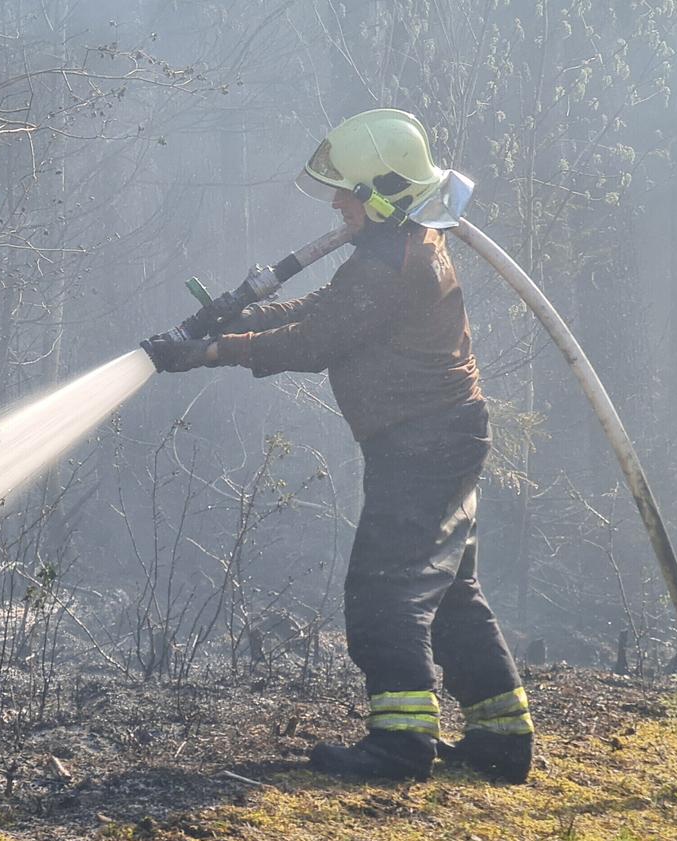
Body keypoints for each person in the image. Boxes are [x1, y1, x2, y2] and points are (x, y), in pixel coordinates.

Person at [143, 109, 534, 782]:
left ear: (382, 194)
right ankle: (503, 738)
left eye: (345, 191)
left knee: (385, 591)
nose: (334, 202)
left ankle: (400, 743)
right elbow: (316, 310)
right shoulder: (397, 249)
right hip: (439, 439)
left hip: (425, 447)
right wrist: (238, 317)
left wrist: (210, 349)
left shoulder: (392, 264)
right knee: (446, 592)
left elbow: (312, 341)